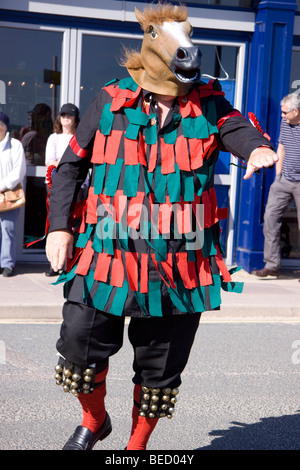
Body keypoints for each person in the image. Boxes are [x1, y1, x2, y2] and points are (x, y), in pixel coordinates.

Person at [46, 3, 277, 451]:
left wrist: (258, 150)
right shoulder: (111, 99)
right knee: (78, 351)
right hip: (106, 255)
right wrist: (60, 228)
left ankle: (136, 448)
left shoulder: (210, 104)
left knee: (160, 372)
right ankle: (94, 421)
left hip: (179, 263)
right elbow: (71, 164)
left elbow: (237, 130)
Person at [252, 93, 300, 277]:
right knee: (270, 219)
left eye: (284, 112)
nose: (282, 115)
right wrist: (278, 175)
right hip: (284, 180)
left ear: (296, 111)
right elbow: (281, 147)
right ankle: (272, 265)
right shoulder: (285, 124)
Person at [45, 103, 80, 277]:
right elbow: (50, 162)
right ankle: (54, 264)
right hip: (56, 186)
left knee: (74, 226)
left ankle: (69, 263)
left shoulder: (80, 137)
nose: (66, 118)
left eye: (69, 115)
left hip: (78, 187)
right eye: (63, 114)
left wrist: (62, 161)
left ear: (75, 118)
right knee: (56, 225)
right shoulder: (54, 138)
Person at [0, 112, 26, 277]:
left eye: (0, 124)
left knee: (7, 229)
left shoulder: (15, 144)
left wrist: (2, 186)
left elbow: (19, 170)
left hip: (8, 194)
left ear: (5, 126)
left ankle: (7, 263)